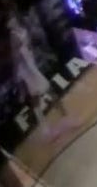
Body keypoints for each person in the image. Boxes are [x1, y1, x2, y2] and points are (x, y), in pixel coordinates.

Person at [7, 8, 70, 140]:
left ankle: (46, 130)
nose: (11, 20)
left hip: (31, 66)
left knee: (35, 100)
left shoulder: (22, 28)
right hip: (28, 71)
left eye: (12, 16)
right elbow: (16, 57)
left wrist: (43, 55)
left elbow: (30, 46)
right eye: (9, 18)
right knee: (49, 91)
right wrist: (18, 77)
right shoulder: (13, 36)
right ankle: (64, 118)